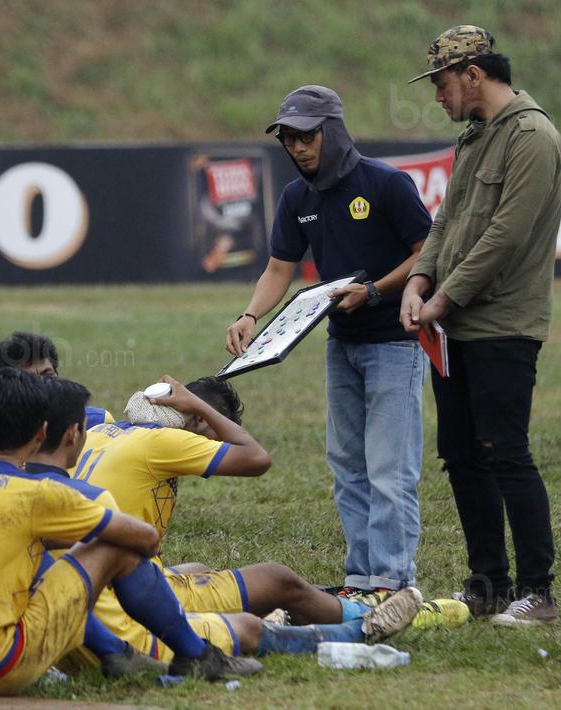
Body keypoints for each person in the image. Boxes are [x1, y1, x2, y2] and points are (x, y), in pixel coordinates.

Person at [0, 369, 265, 695]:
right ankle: (196, 654)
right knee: (116, 546)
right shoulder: (37, 495)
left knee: (42, 557)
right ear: (43, 432)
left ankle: (117, 653)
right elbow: (145, 539)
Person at [31, 378, 423, 671]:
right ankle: (360, 621)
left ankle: (306, 613)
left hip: (74, 591)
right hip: (114, 609)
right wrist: (204, 411)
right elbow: (256, 458)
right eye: (212, 429)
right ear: (198, 422)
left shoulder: (101, 432)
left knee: (198, 571)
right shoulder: (161, 442)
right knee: (275, 580)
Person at [226, 85, 432, 598]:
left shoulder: (386, 184)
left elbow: (430, 251)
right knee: (347, 466)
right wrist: (251, 314)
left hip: (394, 344)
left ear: (333, 132)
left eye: (307, 136)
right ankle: (360, 579)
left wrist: (375, 291)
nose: (297, 148)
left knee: (389, 469)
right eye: (289, 139)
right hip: (340, 344)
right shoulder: (297, 197)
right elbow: (279, 268)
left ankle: (393, 581)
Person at [402, 25, 561, 626]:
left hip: (504, 323)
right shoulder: (473, 140)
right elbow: (446, 223)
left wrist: (442, 297)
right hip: (455, 325)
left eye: (443, 84)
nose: (439, 97)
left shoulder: (533, 136)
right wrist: (420, 280)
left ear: (474, 74)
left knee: (506, 452)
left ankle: (537, 592)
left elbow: (506, 235)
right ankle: (488, 581)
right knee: (462, 454)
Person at [0, 331, 115, 461]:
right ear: (7, 388)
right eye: (29, 379)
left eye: (48, 375)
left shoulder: (97, 421)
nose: (42, 386)